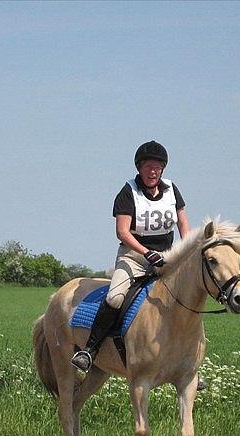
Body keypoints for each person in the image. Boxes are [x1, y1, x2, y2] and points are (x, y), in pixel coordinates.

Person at [71, 141, 205, 386]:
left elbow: (183, 223)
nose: (152, 171)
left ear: (162, 169)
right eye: (148, 166)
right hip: (133, 256)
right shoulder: (128, 192)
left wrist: (187, 249)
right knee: (115, 297)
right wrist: (145, 252)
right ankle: (90, 350)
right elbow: (122, 231)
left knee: (187, 298)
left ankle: (190, 363)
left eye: (157, 167)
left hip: (168, 257)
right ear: (140, 168)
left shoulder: (172, 190)